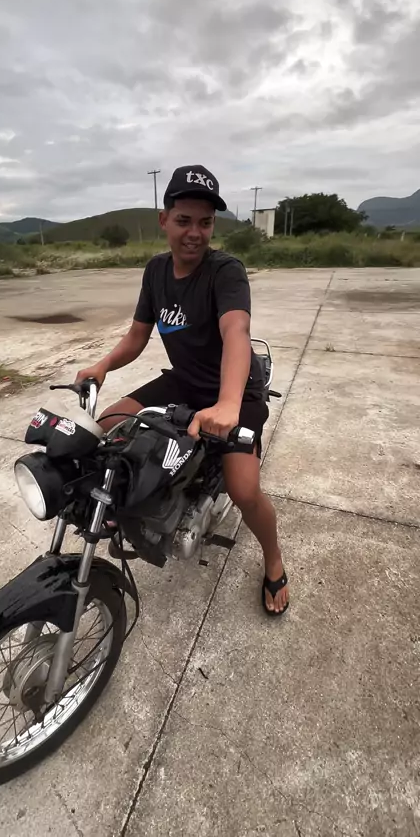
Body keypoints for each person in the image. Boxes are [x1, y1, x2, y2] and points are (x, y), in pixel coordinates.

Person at [76, 165, 289, 615]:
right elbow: (137, 335)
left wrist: (228, 403)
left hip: (236, 390)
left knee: (244, 490)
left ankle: (273, 560)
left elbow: (236, 332)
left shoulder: (225, 271)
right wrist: (102, 365)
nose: (195, 233)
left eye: (205, 222)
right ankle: (124, 507)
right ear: (164, 220)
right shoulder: (156, 271)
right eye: (184, 220)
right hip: (184, 379)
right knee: (106, 428)